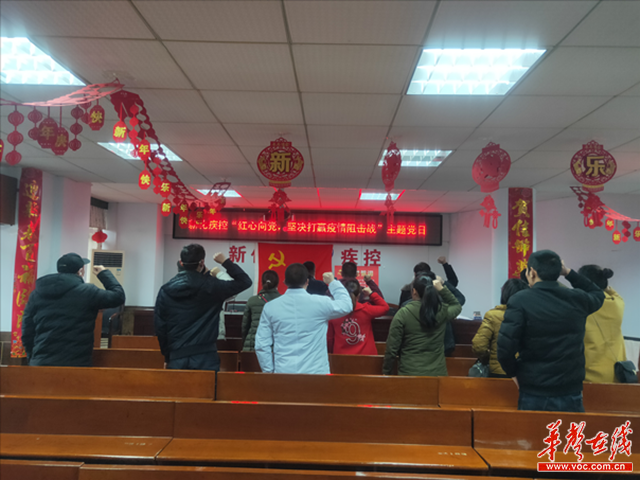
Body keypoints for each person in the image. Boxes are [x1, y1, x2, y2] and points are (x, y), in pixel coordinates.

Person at [498, 250, 605, 412]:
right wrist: (568, 273)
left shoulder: (520, 300)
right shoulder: (577, 299)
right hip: (570, 389)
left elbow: (505, 348)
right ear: (558, 271)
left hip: (533, 389)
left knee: (533, 429)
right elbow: (597, 293)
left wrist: (513, 374)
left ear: (532, 272)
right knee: (568, 430)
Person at [154, 244, 251, 371]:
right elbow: (245, 281)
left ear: (181, 263)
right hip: (206, 357)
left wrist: (167, 357)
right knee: (207, 385)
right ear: (202, 263)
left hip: (177, 357)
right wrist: (225, 262)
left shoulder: (165, 290)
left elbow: (160, 327)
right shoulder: (213, 286)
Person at [22, 253, 125, 366]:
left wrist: (32, 356)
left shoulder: (36, 294)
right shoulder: (88, 292)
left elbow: (27, 329)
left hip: (40, 362)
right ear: (81, 271)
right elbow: (118, 296)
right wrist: (103, 273)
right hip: (76, 362)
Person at [255, 264, 352, 374]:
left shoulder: (270, 307)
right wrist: (333, 282)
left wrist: (269, 371)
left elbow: (261, 344)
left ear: (285, 282)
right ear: (307, 282)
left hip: (283, 372)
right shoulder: (320, 303)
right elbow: (346, 305)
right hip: (316, 373)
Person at [383, 275, 461, 376]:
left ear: (414, 291)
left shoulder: (403, 314)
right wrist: (442, 289)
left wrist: (386, 372)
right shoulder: (442, 311)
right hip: (437, 374)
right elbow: (456, 305)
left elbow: (391, 349)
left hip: (409, 373)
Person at [471, 278, 529, 377]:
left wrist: (488, 357)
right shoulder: (529, 316)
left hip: (498, 371)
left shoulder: (492, 315)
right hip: (524, 371)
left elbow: (479, 346)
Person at [578, 265, 626, 383]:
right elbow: (612, 292)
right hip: (618, 375)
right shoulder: (618, 303)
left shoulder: (579, 307)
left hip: (589, 376)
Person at [327, 280, 389, 355]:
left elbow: (329, 339)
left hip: (341, 358)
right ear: (359, 295)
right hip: (367, 357)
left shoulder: (334, 313)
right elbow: (385, 307)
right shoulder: (366, 310)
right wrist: (371, 293)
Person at [241, 270, 281, 352]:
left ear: (261, 283)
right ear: (277, 284)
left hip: (253, 344)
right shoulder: (283, 301)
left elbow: (245, 326)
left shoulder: (252, 300)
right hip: (275, 345)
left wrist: (246, 341)